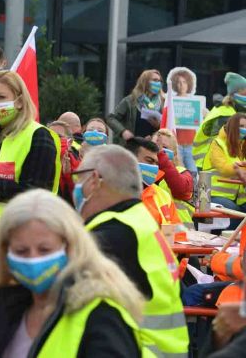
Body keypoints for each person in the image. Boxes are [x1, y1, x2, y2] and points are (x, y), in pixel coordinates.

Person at [0, 189, 146, 356]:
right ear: (4, 252)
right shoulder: (3, 309)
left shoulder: (102, 316)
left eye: (45, 250)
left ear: (71, 247)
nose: (33, 259)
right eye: (21, 251)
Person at [73, 145, 189, 356]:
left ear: (94, 181)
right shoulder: (139, 222)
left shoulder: (112, 235)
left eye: (78, 180)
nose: (76, 188)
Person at [0, 70, 60, 213]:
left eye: (0, 97)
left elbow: (34, 193)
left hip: (20, 228)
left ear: (20, 102)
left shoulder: (39, 136)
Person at [194, 72, 246, 169]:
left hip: (212, 162)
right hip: (210, 163)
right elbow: (233, 140)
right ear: (238, 92)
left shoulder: (226, 109)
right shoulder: (226, 114)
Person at [127, 137, 181, 225]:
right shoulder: (110, 194)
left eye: (156, 163)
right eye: (149, 161)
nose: (154, 167)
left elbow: (177, 235)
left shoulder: (163, 196)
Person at [107, 68, 165, 144]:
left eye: (159, 81)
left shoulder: (163, 102)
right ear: (145, 82)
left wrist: (158, 126)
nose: (158, 83)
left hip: (151, 147)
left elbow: (167, 129)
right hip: (131, 146)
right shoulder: (130, 100)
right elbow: (111, 118)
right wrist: (123, 131)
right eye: (155, 80)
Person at [203, 113, 246, 212]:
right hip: (214, 195)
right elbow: (223, 168)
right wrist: (236, 169)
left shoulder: (243, 145)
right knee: (236, 213)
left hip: (237, 198)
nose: (244, 129)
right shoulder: (218, 143)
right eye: (241, 126)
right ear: (232, 127)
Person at [151, 128, 195, 222]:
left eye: (164, 148)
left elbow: (180, 189)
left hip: (178, 231)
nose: (159, 151)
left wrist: (161, 155)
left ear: (174, 153)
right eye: (154, 146)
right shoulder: (144, 172)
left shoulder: (183, 173)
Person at [167, 66, 200, 176]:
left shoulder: (196, 102)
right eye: (179, 82)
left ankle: (193, 192)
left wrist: (204, 113)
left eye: (184, 82)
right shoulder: (171, 101)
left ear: (189, 83)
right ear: (175, 84)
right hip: (177, 143)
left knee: (193, 171)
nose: (181, 85)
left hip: (191, 144)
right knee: (179, 171)